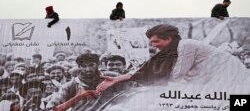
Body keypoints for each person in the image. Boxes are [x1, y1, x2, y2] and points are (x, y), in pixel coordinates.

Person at [97, 24, 249, 92]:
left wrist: (159, 94)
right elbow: (145, 69)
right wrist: (118, 79)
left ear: (169, 38)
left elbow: (177, 75)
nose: (154, 46)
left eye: (156, 42)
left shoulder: (185, 45)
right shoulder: (169, 51)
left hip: (229, 75)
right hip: (210, 80)